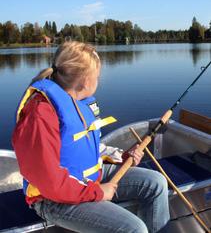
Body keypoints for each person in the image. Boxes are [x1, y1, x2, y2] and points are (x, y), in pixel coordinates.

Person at [12, 41, 170, 233]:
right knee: (133, 229)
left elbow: (85, 148)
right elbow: (50, 183)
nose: (99, 80)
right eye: (98, 76)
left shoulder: (78, 102)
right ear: (86, 81)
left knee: (156, 183)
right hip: (53, 199)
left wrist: (124, 157)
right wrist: (98, 192)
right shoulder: (40, 114)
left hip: (87, 180)